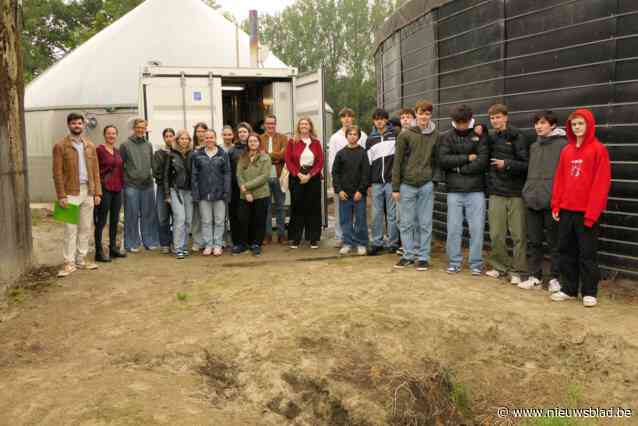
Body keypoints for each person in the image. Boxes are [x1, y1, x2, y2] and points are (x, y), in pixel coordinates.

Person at [550, 109, 611, 307]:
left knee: (587, 253)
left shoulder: (598, 149)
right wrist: (556, 204)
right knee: (566, 251)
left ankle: (589, 292)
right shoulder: (566, 150)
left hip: (586, 213)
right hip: (567, 210)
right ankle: (569, 289)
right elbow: (559, 179)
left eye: (580, 124)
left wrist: (592, 213)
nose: (577, 127)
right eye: (574, 124)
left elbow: (601, 184)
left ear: (589, 125)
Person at [518, 111, 567, 291]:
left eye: (543, 123)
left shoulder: (564, 146)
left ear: (552, 125)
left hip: (553, 201)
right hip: (532, 199)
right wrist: (528, 191)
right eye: (536, 123)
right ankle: (534, 276)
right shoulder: (534, 146)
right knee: (534, 241)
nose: (538, 126)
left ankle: (556, 278)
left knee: (555, 242)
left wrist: (558, 198)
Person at [438, 105, 489, 275]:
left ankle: (476, 263)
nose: (461, 126)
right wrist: (467, 158)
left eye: (464, 123)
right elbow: (444, 160)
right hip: (454, 190)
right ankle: (454, 262)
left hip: (476, 189)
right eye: (458, 123)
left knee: (477, 228)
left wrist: (459, 168)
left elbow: (482, 161)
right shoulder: (446, 136)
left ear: (470, 120)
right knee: (453, 228)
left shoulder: (479, 134)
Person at [485, 104, 530, 284]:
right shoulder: (490, 137)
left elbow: (526, 164)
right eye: (492, 118)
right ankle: (499, 267)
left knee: (518, 234)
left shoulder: (518, 136)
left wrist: (507, 164)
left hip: (515, 193)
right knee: (496, 233)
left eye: (498, 117)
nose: (495, 121)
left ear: (506, 117)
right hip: (496, 192)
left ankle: (518, 270)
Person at [53, 113, 102, 277]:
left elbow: (95, 171)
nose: (77, 126)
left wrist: (97, 192)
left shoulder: (90, 145)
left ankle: (81, 259)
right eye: (74, 123)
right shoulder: (60, 146)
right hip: (69, 192)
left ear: (84, 125)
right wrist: (61, 195)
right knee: (69, 229)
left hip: (87, 191)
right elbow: (57, 173)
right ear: (68, 125)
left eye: (79, 123)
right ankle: (68, 262)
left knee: (86, 227)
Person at [392, 100, 438, 271]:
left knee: (425, 223)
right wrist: (395, 187)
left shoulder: (435, 134)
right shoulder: (405, 135)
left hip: (426, 185)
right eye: (420, 113)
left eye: (427, 113)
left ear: (430, 115)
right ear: (416, 114)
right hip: (407, 185)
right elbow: (397, 162)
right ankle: (408, 255)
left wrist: (433, 181)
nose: (424, 116)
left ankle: (423, 257)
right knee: (406, 222)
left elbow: (436, 160)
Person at [328, 108, 367, 248]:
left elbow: (365, 165)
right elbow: (333, 163)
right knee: (343, 214)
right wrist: (337, 186)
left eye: (349, 116)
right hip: (342, 184)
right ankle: (343, 238)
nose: (347, 119)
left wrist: (362, 188)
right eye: (344, 117)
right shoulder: (335, 138)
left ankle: (359, 241)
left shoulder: (363, 137)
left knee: (360, 216)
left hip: (358, 185)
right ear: (340, 119)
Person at [120, 118, 159, 252]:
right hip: (131, 185)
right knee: (131, 214)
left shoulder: (148, 145)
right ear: (134, 128)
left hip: (147, 185)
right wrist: (125, 181)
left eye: (143, 128)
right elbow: (121, 165)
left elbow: (153, 164)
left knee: (149, 214)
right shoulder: (125, 145)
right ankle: (132, 243)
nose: (141, 130)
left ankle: (150, 241)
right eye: (138, 127)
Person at [285, 117, 325, 249]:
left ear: (310, 126)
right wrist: (298, 174)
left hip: (313, 177)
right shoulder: (292, 142)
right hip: (297, 177)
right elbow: (288, 161)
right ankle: (296, 238)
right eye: (301, 124)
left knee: (313, 208)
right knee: (297, 207)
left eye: (306, 124)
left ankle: (313, 238)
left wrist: (311, 175)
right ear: (298, 127)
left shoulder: (316, 143)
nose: (303, 126)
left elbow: (320, 161)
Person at [191, 129, 231, 257]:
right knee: (206, 221)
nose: (209, 140)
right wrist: (196, 193)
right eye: (206, 137)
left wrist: (226, 190)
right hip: (204, 193)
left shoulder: (222, 154)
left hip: (219, 194)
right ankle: (208, 244)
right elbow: (194, 175)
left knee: (219, 221)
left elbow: (227, 173)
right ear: (204, 139)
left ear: (215, 138)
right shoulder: (198, 155)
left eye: (211, 137)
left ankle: (218, 244)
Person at [366, 108, 399, 255]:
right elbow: (368, 163)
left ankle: (393, 243)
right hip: (376, 182)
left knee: (392, 214)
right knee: (376, 213)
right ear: (374, 121)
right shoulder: (370, 139)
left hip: (391, 181)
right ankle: (377, 242)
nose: (379, 121)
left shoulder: (395, 135)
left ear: (386, 120)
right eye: (376, 119)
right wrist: (369, 184)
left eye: (382, 118)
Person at [332, 126, 369, 256]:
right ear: (346, 136)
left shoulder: (363, 153)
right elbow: (335, 173)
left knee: (360, 219)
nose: (352, 136)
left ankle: (361, 243)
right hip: (344, 194)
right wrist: (339, 190)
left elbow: (366, 174)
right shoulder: (341, 153)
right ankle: (348, 243)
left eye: (355, 134)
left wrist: (361, 190)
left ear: (358, 137)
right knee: (345, 220)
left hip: (359, 194)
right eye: (350, 134)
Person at [94, 125, 126, 263]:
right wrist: (96, 191)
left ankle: (113, 248)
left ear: (116, 135)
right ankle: (99, 251)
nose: (111, 136)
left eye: (114, 133)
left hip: (117, 189)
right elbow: (95, 170)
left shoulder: (117, 151)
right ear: (104, 134)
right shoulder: (99, 150)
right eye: (109, 133)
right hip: (104, 188)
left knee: (114, 220)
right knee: (101, 221)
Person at [237, 133, 272, 256]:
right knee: (243, 219)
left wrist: (247, 186)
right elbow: (239, 175)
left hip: (261, 194)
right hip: (244, 195)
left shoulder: (265, 157)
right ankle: (243, 244)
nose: (252, 143)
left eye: (255, 141)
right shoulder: (242, 157)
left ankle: (256, 244)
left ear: (259, 143)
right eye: (250, 141)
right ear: (247, 143)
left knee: (259, 220)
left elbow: (264, 177)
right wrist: (246, 191)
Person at [164, 129, 194, 259]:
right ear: (177, 140)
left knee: (188, 220)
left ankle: (184, 245)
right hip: (175, 190)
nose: (184, 141)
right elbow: (166, 176)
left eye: (186, 138)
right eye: (182, 138)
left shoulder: (193, 154)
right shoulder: (171, 155)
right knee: (180, 218)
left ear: (189, 141)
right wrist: (167, 194)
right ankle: (178, 247)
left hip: (189, 191)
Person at [259, 114, 288, 245]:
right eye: (268, 123)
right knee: (266, 208)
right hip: (264, 178)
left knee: (281, 207)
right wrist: (276, 156)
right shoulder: (259, 139)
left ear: (276, 124)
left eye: (273, 123)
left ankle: (281, 235)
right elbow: (259, 156)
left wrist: (268, 155)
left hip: (279, 176)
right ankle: (268, 235)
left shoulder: (283, 138)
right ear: (264, 125)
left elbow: (284, 155)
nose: (270, 126)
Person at [228, 122, 252, 254]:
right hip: (236, 188)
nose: (243, 134)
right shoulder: (232, 150)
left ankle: (250, 242)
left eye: (245, 131)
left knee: (249, 216)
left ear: (249, 133)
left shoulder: (254, 147)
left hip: (251, 187)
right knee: (236, 216)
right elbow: (228, 171)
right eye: (240, 132)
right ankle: (237, 243)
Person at [153, 128, 175, 254]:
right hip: (162, 188)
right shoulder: (158, 153)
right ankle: (165, 243)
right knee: (163, 217)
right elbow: (156, 171)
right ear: (163, 138)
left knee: (176, 217)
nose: (169, 138)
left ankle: (174, 242)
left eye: (171, 135)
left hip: (175, 189)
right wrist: (164, 180)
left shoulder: (177, 152)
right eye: (166, 136)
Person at [190, 122, 208, 252]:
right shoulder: (191, 148)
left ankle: (209, 240)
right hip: (195, 186)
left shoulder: (211, 147)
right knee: (196, 216)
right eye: (198, 131)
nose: (200, 134)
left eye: (203, 131)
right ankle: (197, 241)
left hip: (208, 186)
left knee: (208, 216)